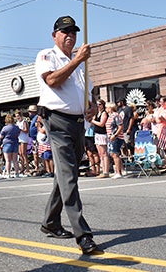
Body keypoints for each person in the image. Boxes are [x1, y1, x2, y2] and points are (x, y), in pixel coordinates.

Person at [35, 15, 101, 255]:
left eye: (73, 32)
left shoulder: (80, 62)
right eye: (65, 32)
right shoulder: (47, 56)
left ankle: (50, 222)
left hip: (78, 124)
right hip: (57, 121)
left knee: (66, 175)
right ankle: (83, 234)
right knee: (69, 177)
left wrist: (92, 104)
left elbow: (89, 92)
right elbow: (52, 80)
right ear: (55, 35)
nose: (70, 36)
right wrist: (78, 60)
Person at [90, 99, 110, 178]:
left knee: (104, 153)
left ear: (103, 105)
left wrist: (93, 121)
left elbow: (102, 124)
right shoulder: (97, 113)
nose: (98, 106)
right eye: (97, 104)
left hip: (102, 134)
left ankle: (106, 171)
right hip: (97, 134)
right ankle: (103, 170)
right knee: (100, 154)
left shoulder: (104, 113)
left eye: (99, 104)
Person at [106, 103, 125, 179]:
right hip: (111, 137)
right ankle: (120, 170)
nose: (106, 109)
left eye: (107, 107)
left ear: (110, 108)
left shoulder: (116, 115)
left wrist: (115, 135)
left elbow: (120, 126)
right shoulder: (110, 116)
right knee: (113, 154)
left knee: (115, 154)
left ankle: (118, 172)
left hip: (116, 137)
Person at [0, 114, 20, 178]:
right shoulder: (16, 127)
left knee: (8, 160)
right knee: (15, 160)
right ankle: (17, 173)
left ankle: (8, 173)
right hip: (15, 143)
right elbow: (18, 134)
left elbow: (1, 136)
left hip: (7, 143)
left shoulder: (5, 128)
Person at [27, 105, 42, 175]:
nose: (29, 113)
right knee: (34, 153)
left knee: (38, 153)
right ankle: (36, 167)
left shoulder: (37, 117)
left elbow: (39, 126)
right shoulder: (33, 119)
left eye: (30, 111)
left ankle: (39, 167)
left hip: (37, 138)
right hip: (33, 139)